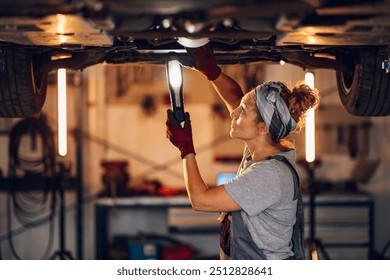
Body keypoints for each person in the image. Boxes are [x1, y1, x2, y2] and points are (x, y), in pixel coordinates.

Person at [165, 44, 319, 260]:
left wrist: (186, 148)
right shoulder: (261, 151)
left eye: (243, 111)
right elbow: (234, 98)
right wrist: (212, 72)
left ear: (262, 128)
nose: (233, 113)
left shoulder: (269, 175)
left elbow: (200, 200)